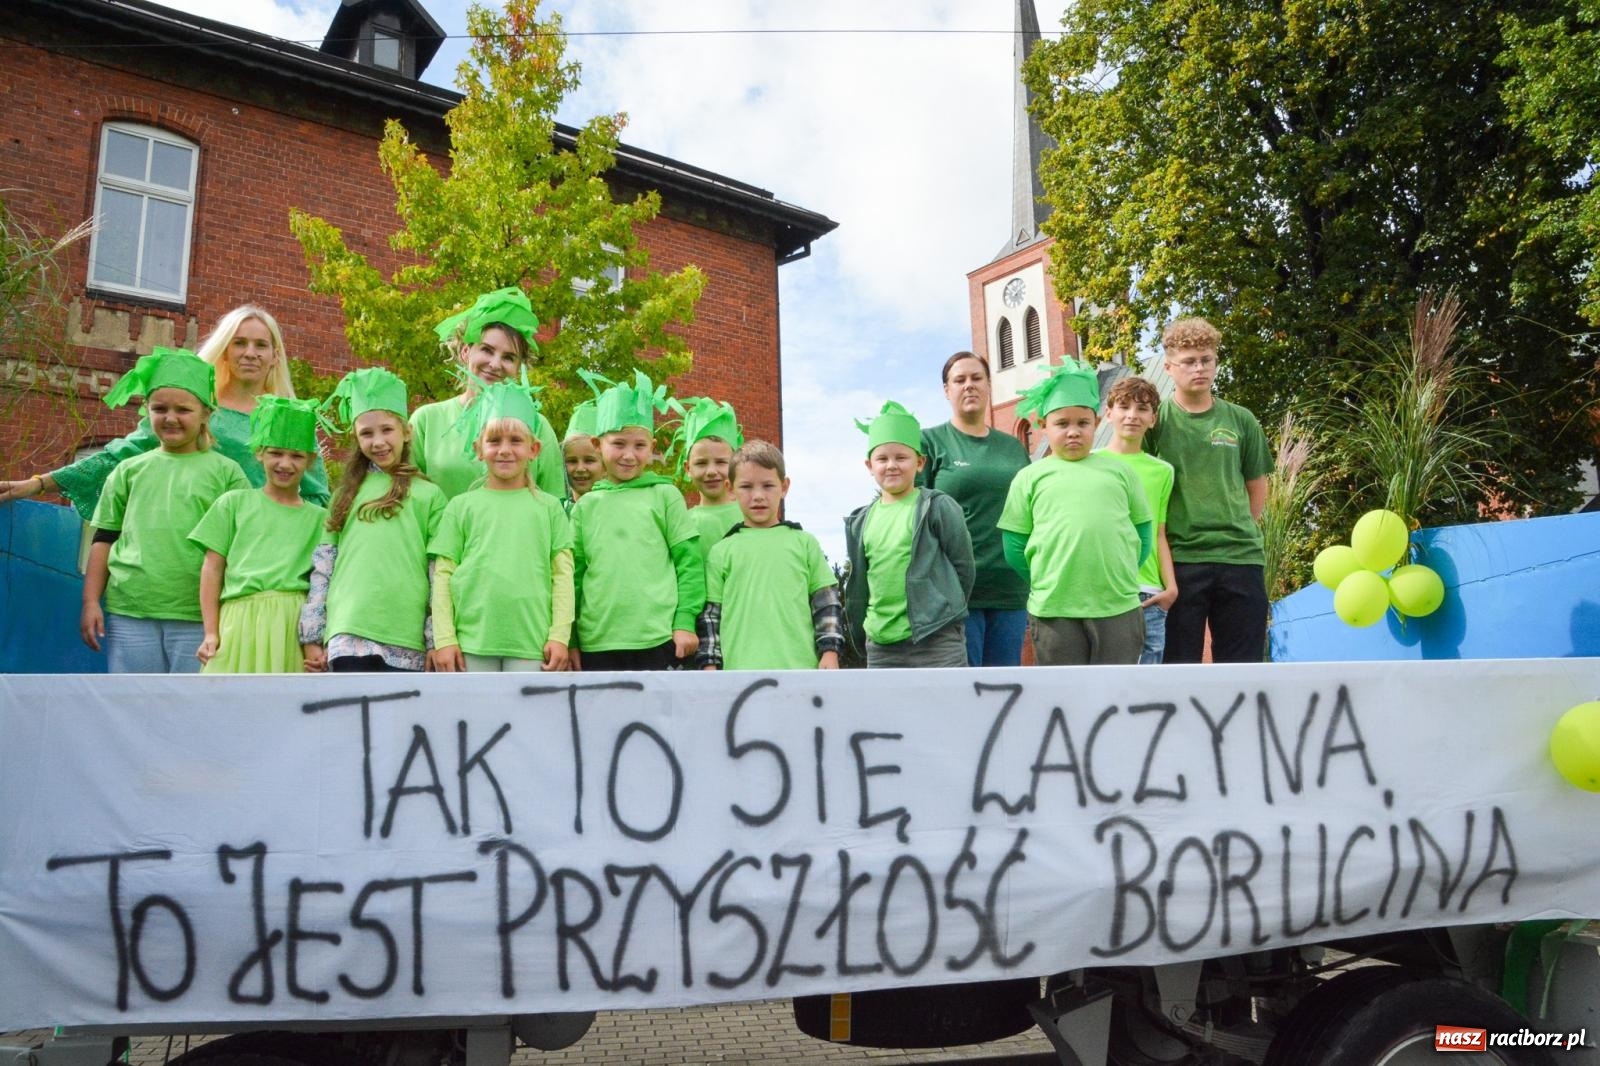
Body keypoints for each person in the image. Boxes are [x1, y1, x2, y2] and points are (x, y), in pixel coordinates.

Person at [0, 305, 328, 514]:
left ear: (275, 356)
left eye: (261, 345)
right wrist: (41, 483)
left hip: (256, 559)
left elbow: (317, 499)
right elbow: (123, 453)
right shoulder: (194, 406)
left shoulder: (291, 417)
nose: (250, 353)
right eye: (239, 342)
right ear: (225, 350)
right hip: (187, 546)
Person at [79, 348, 250, 672]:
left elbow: (242, 547)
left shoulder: (227, 473)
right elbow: (103, 538)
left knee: (187, 710)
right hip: (130, 611)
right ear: (146, 411)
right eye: (160, 408)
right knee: (132, 706)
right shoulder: (128, 471)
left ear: (205, 413)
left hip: (199, 616)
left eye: (183, 409)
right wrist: (90, 601)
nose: (170, 417)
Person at [998, 361, 1153, 666]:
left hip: (1117, 606)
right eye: (1062, 423)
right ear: (1044, 425)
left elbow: (1143, 534)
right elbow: (1014, 546)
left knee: (1116, 693)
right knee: (1064, 697)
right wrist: (1047, 578)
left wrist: (1119, 572)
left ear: (1095, 423)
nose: (1073, 432)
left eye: (1082, 423)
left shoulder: (1121, 472)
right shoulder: (1029, 477)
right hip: (1055, 608)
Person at [299, 368, 446, 673]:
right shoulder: (344, 495)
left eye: (387, 430)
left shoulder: (430, 495)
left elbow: (438, 574)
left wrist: (436, 639)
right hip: (349, 629)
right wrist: (313, 634)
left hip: (406, 634)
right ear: (356, 438)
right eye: (367, 433)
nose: (378, 441)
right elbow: (324, 566)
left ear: (406, 432)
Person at [1144, 317, 1272, 663]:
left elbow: (1256, 484)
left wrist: (1241, 524)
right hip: (1181, 559)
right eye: (1189, 361)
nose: (1199, 368)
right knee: (1178, 666)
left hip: (1241, 557)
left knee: (1242, 669)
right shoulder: (1154, 422)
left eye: (1207, 359)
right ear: (1169, 367)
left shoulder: (1241, 419)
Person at [430, 381, 574, 673]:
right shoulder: (461, 507)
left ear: (534, 449)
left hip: (531, 642)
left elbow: (563, 575)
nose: (504, 450)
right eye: (494, 441)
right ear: (478, 449)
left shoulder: (549, 508)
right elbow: (444, 574)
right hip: (471, 642)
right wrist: (444, 639)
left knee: (527, 718)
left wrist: (560, 636)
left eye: (515, 441)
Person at [569, 370, 704, 671]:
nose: (629, 455)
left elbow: (689, 563)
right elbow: (573, 577)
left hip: (658, 639)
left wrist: (685, 620)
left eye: (639, 446)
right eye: (618, 444)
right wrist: (572, 639)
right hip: (597, 642)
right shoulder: (585, 507)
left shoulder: (665, 496)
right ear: (597, 444)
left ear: (652, 447)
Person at [190, 396, 327, 673]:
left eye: (297, 456)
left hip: (292, 625)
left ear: (310, 461)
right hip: (238, 621)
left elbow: (322, 583)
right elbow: (212, 568)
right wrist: (211, 632)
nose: (285, 464)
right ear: (259, 453)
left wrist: (315, 640)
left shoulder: (320, 519)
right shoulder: (234, 504)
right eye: (276, 453)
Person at [919, 351, 1031, 666]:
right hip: (955, 594)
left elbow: (1030, 513)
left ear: (989, 385)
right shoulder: (929, 442)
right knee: (963, 697)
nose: (969, 385)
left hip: (1010, 591)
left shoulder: (1012, 448)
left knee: (1006, 693)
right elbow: (913, 517)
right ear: (946, 390)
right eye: (959, 380)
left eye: (976, 378)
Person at [843, 401, 974, 669]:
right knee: (886, 712)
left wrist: (942, 611)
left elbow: (964, 568)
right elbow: (860, 584)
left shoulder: (937, 507)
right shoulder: (860, 521)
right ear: (869, 465)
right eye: (882, 459)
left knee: (946, 709)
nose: (891, 465)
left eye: (901, 457)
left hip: (937, 641)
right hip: (881, 646)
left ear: (920, 462)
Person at [697, 440, 844, 671]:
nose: (758, 496)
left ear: (784, 487)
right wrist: (709, 664)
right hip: (737, 675)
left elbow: (826, 603)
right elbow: (710, 617)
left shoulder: (804, 542)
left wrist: (830, 651)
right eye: (746, 487)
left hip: (801, 671)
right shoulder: (721, 551)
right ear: (730, 488)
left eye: (768, 486)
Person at [411, 288, 565, 499]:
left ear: (519, 367)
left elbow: (553, 505)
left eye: (509, 357)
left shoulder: (538, 427)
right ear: (466, 352)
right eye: (487, 350)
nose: (495, 364)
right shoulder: (427, 421)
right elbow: (408, 501)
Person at [1096, 376, 1177, 665]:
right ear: (1109, 414)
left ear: (1153, 419)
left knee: (1146, 687)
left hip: (1149, 595)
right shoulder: (1091, 464)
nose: (1132, 415)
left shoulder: (1163, 471)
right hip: (1103, 588)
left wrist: (1171, 589)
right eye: (1123, 406)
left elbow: (1159, 533)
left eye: (1142, 409)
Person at [673, 396, 745, 570]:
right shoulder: (684, 522)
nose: (711, 471)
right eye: (701, 463)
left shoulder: (751, 516)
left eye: (721, 462)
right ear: (687, 468)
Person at [561, 399, 604, 510]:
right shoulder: (559, 512)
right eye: (572, 461)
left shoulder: (613, 510)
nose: (580, 468)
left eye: (589, 460)